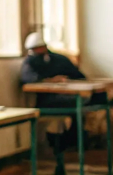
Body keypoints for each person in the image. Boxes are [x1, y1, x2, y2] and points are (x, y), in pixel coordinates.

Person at [21, 32, 105, 174]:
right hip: (48, 101)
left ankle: (69, 142)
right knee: (79, 105)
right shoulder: (30, 62)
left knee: (96, 98)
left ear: (44, 47)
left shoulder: (59, 59)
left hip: (69, 98)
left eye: (39, 48)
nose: (37, 52)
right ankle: (64, 144)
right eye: (34, 50)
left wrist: (67, 81)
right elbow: (28, 79)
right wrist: (51, 80)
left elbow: (79, 76)